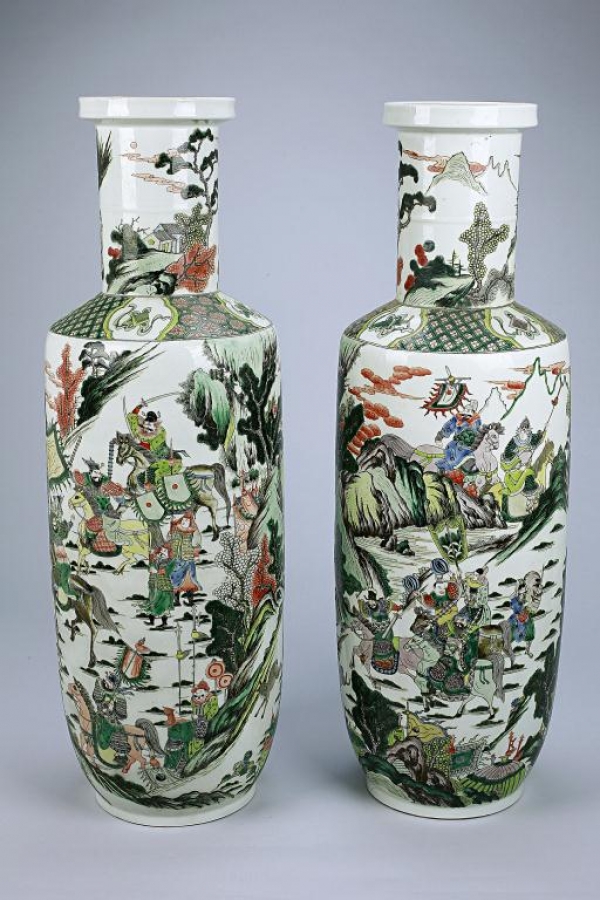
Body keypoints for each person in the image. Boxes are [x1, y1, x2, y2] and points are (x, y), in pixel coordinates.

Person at [435, 398, 482, 473]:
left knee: (473, 462)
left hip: (471, 448)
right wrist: (440, 437)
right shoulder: (457, 419)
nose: (466, 415)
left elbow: (479, 433)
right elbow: (448, 427)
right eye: (466, 411)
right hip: (456, 447)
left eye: (470, 411)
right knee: (452, 461)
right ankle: (443, 471)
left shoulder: (477, 420)